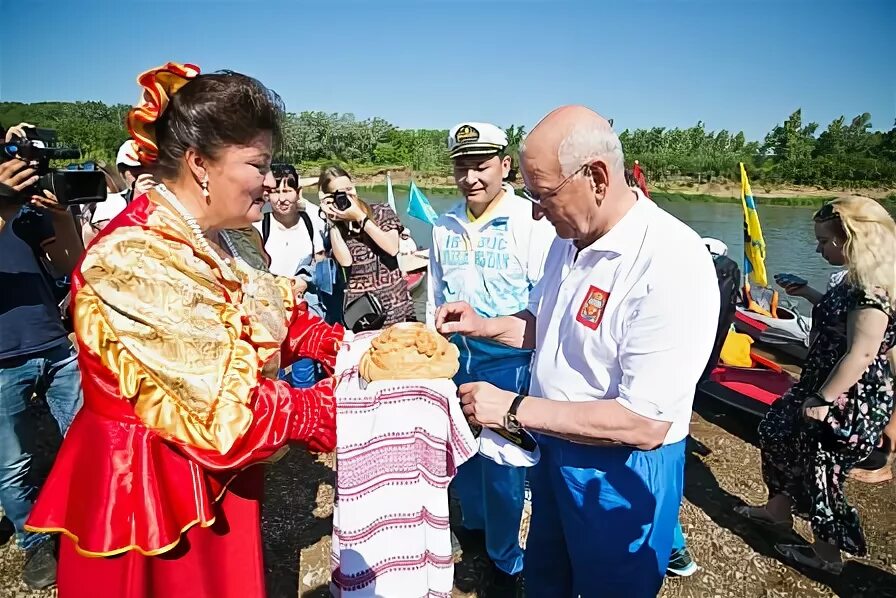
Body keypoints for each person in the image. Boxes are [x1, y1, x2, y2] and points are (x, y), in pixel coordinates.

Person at [24, 62, 343, 598]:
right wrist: (340, 408)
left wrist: (338, 344)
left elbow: (262, 313)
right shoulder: (133, 258)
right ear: (199, 163)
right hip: (146, 484)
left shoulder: (215, 233)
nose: (270, 182)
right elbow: (226, 410)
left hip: (201, 468)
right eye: (257, 165)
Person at [435, 105, 719, 596]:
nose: (535, 211)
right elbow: (541, 325)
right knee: (549, 577)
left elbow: (643, 423)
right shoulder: (569, 239)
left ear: (598, 178)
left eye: (543, 195)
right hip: (555, 445)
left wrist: (514, 408)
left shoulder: (670, 261)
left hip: (621, 470)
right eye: (530, 194)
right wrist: (482, 326)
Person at [735, 196, 896, 574]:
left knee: (820, 471)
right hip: (820, 383)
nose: (818, 248)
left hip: (846, 398)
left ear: (852, 239)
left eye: (824, 241)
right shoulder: (857, 280)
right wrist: (808, 293)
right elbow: (847, 324)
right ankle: (778, 510)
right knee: (776, 432)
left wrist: (824, 398)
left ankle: (828, 555)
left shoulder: (873, 289)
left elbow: (861, 353)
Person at [427, 121, 555, 594]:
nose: (471, 178)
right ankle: (476, 529)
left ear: (505, 166)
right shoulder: (444, 226)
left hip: (510, 364)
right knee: (462, 453)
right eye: (462, 168)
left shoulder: (531, 225)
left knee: (504, 463)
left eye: (481, 166)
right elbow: (434, 297)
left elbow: (544, 305)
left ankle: (506, 559)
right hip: (458, 361)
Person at [0, 124, 85, 590]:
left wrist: (63, 216)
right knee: (13, 462)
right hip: (3, 357)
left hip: (53, 343)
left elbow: (71, 265)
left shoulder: (30, 212)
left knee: (85, 434)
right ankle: (32, 544)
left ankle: (90, 520)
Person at [254, 164, 328, 389]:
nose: (281, 198)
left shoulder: (313, 221)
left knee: (304, 375)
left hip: (304, 313)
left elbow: (321, 261)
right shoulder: (259, 225)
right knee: (271, 376)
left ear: (298, 193)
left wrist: (305, 281)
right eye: (275, 191)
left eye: (287, 191)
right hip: (271, 315)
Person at [319, 165, 414, 328]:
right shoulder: (337, 227)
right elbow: (345, 262)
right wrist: (332, 222)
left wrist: (360, 216)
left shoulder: (381, 211)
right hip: (362, 312)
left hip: (395, 304)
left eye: (349, 189)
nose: (347, 195)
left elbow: (392, 248)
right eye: (339, 193)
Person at [82, 140, 157, 245]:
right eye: (136, 168)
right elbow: (110, 246)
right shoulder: (109, 204)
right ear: (122, 172)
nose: (143, 173)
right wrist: (137, 201)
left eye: (148, 167)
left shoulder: (171, 195)